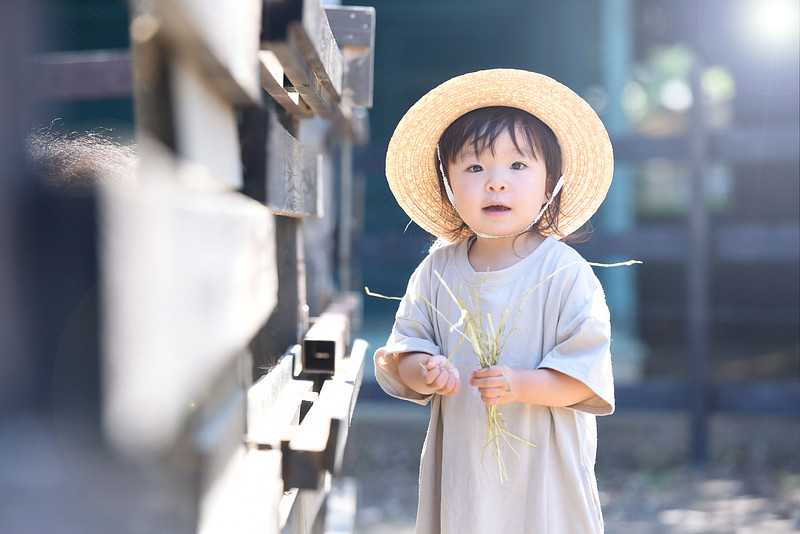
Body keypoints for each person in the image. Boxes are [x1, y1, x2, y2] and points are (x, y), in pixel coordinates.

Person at [374, 69, 616, 533]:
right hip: (466, 471)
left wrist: (519, 383)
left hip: (543, 472)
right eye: (474, 167)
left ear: (551, 186)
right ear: (447, 185)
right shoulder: (437, 270)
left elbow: (585, 380)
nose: (496, 183)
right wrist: (424, 371)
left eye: (518, 166)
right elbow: (403, 349)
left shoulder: (563, 272)